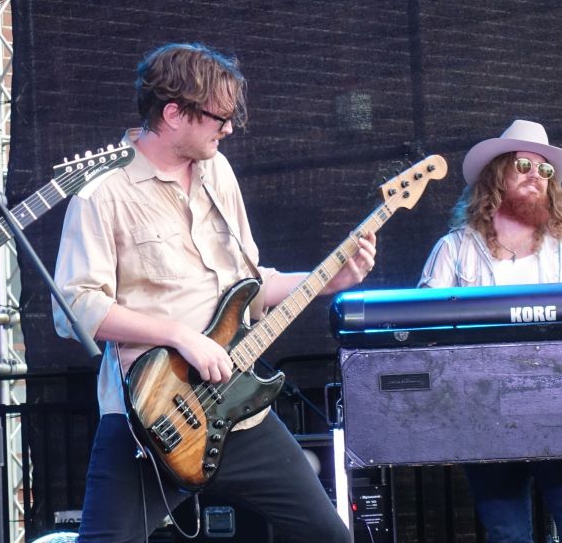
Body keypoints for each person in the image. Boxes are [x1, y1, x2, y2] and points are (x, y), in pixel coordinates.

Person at [52, 43, 377, 543]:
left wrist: (328, 281)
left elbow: (249, 284)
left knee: (330, 536)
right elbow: (74, 308)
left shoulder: (218, 171)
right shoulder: (103, 191)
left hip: (238, 410)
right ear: (173, 114)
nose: (227, 129)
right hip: (157, 416)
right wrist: (180, 336)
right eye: (218, 117)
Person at [419, 119, 562, 543]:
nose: (535, 176)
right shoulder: (454, 249)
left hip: (559, 405)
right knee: (507, 532)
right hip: (483, 406)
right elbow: (423, 333)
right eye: (523, 165)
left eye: (544, 171)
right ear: (496, 174)